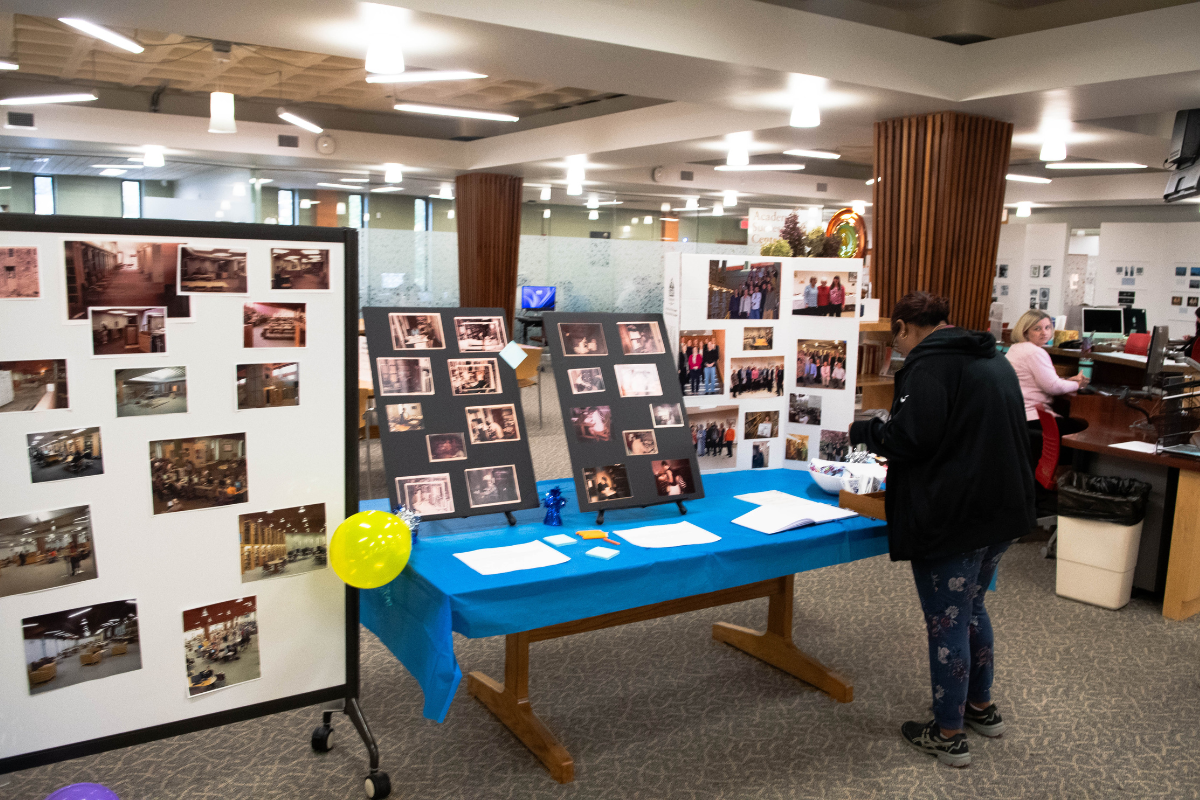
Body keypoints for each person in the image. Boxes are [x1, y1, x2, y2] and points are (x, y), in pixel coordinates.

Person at [849, 291, 1035, 769]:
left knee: (947, 621)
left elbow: (911, 438)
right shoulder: (990, 358)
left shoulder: (929, 366)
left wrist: (866, 431)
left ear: (904, 328)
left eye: (898, 339)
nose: (899, 349)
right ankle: (980, 706)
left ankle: (948, 731)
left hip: (956, 516)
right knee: (972, 608)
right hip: (1003, 509)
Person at [1005, 309, 1089, 458]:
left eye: (1047, 327)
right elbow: (1053, 387)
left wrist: (1067, 382)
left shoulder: (1015, 348)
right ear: (1025, 332)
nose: (1044, 333)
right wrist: (1078, 385)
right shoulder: (1034, 352)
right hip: (1034, 419)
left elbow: (1044, 381)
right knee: (1084, 431)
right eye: (1037, 329)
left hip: (1017, 418)